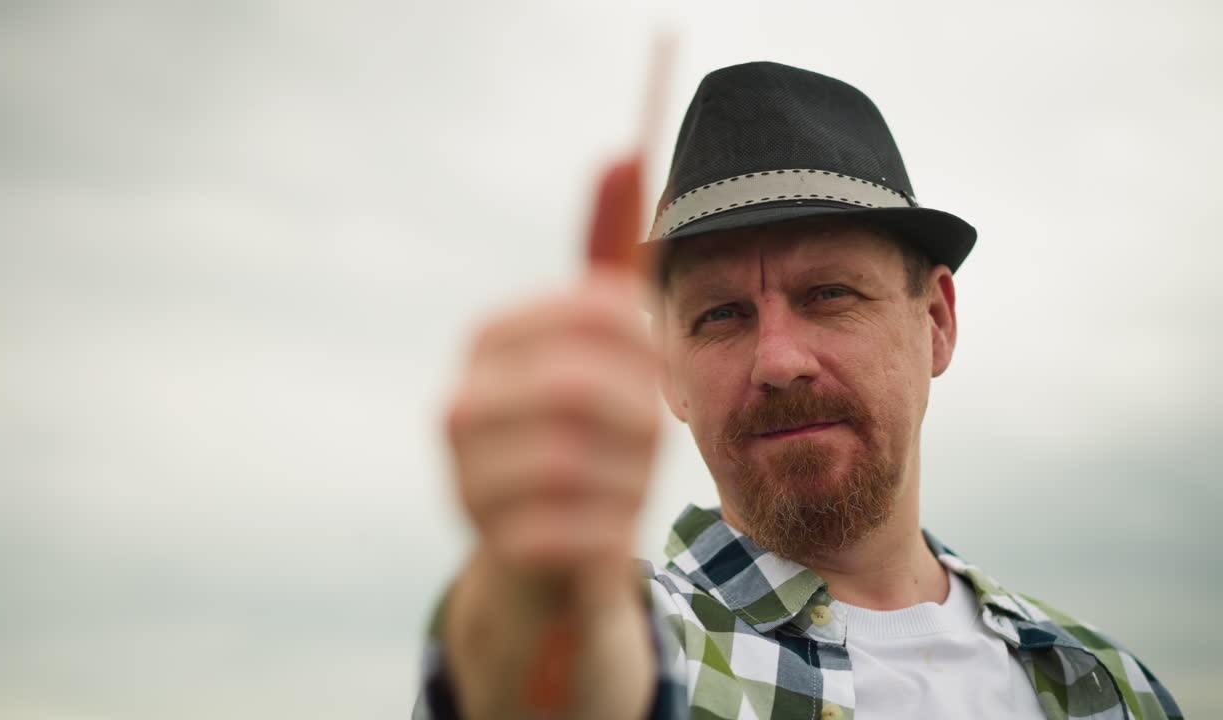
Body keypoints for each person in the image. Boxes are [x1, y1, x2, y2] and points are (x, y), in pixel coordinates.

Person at [413, 62, 1182, 720]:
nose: (778, 360)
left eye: (829, 294)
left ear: (937, 322)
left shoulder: (1107, 685)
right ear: (667, 371)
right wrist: (538, 588)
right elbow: (554, 674)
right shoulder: (656, 645)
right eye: (720, 314)